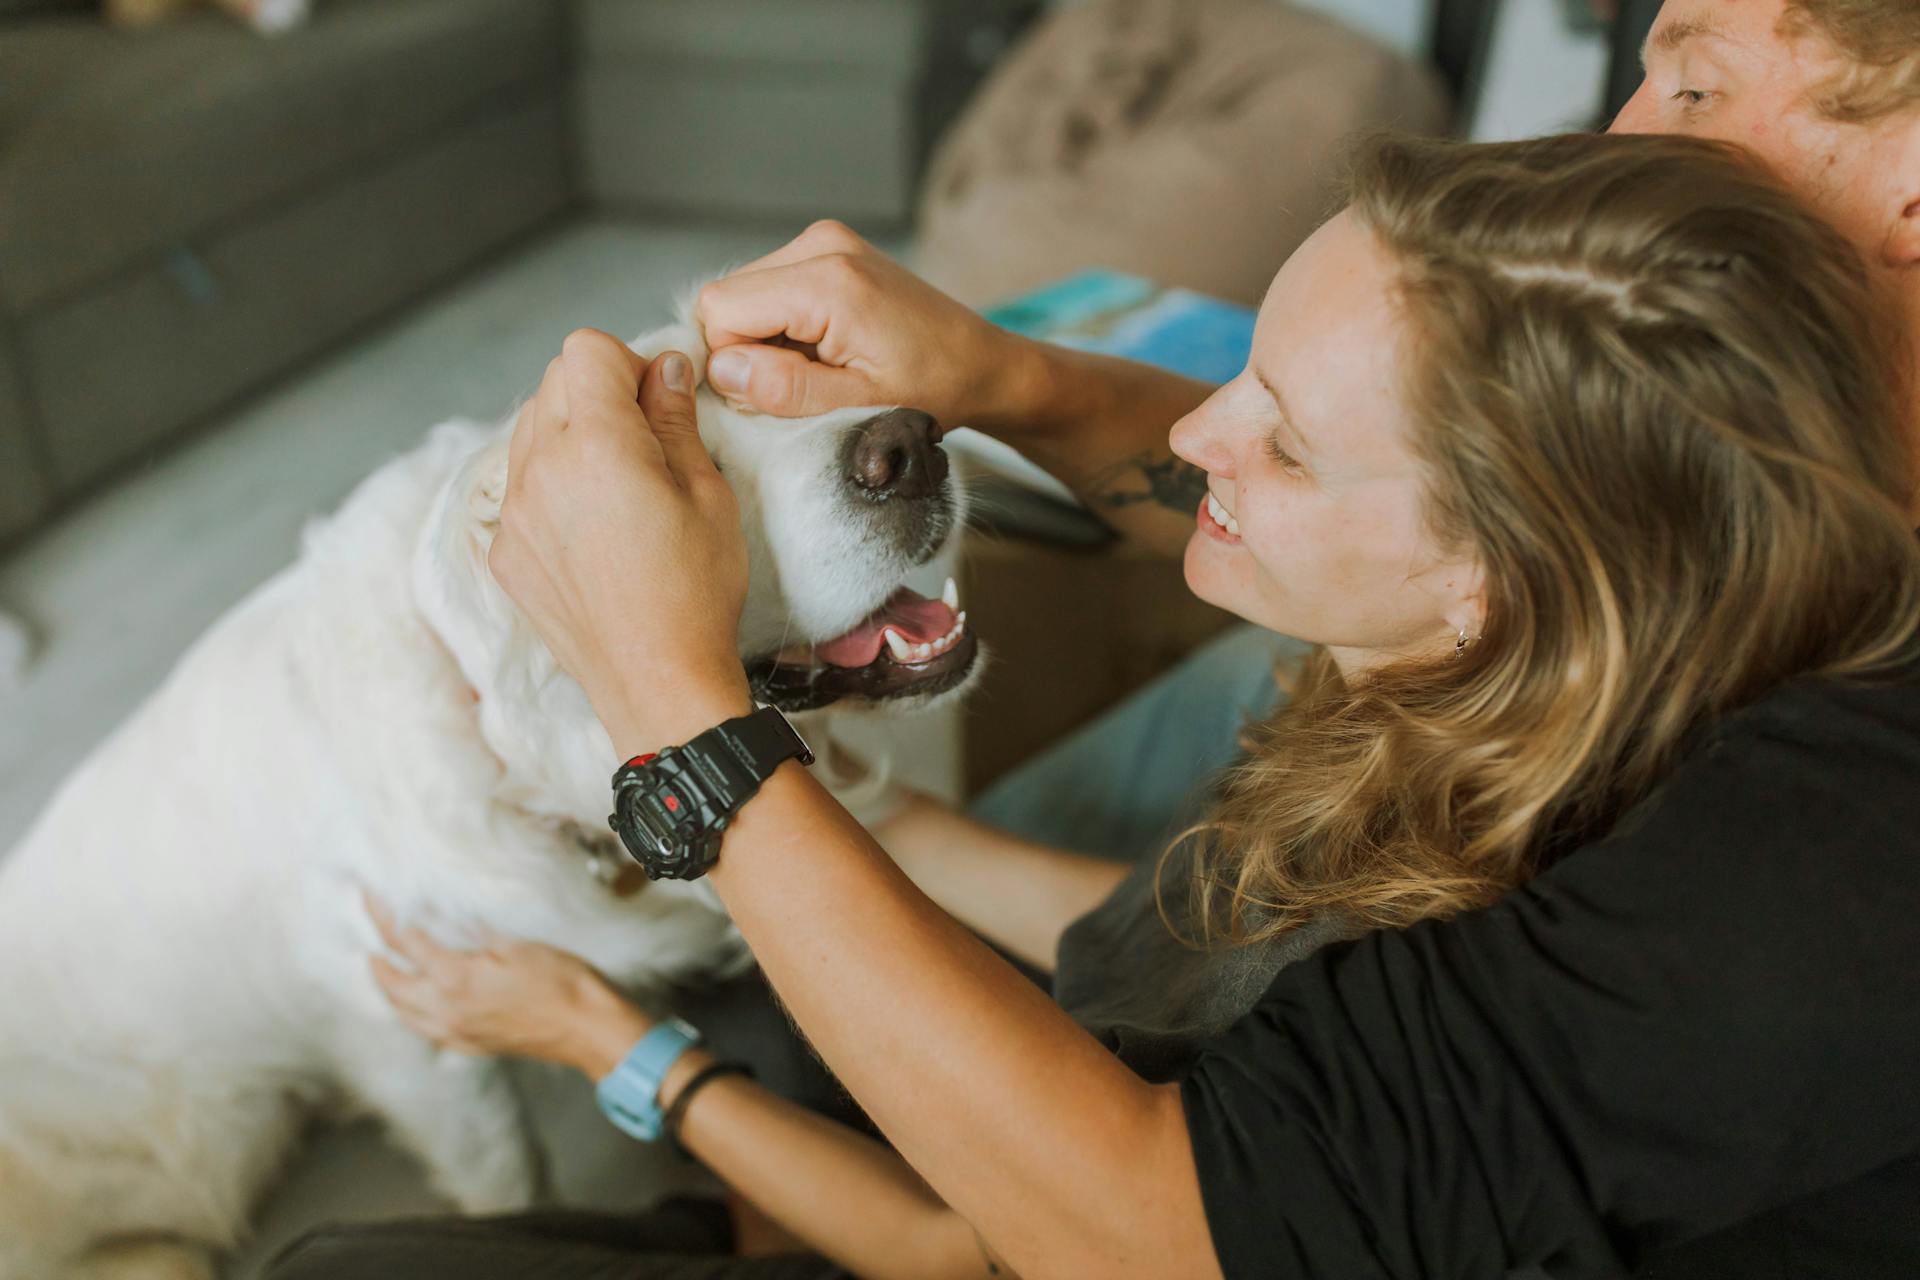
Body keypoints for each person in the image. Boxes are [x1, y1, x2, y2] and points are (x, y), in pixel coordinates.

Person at [268, 121, 1920, 1280]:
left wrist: (676, 734)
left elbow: (1054, 1241)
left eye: (1284, 436)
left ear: (1493, 580)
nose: (1199, 434)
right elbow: (1166, 940)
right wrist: (867, 805)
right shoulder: (1498, 679)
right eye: (1246, 377)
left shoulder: (1725, 893)